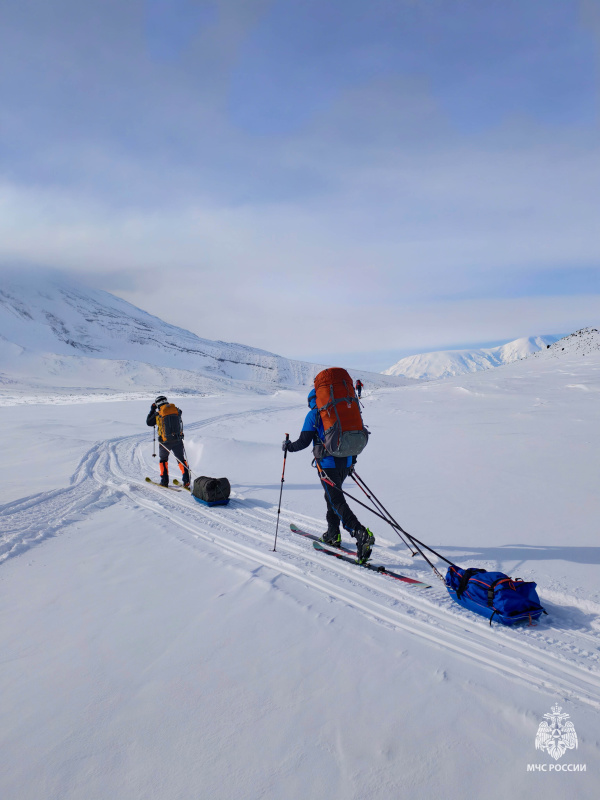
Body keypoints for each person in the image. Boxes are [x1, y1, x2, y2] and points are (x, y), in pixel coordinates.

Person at [283, 388, 375, 563]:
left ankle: (359, 533)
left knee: (336, 501)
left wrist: (288, 446)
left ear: (312, 400)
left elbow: (303, 442)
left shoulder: (314, 415)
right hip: (346, 462)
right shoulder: (341, 411)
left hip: (328, 465)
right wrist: (351, 462)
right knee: (331, 498)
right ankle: (333, 534)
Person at [146, 395, 190, 488]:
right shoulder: (176, 410)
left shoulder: (158, 413)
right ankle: (186, 480)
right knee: (181, 459)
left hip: (164, 442)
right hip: (177, 440)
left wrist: (152, 410)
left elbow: (149, 422)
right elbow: (180, 413)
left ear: (157, 403)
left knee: (163, 460)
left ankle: (164, 481)